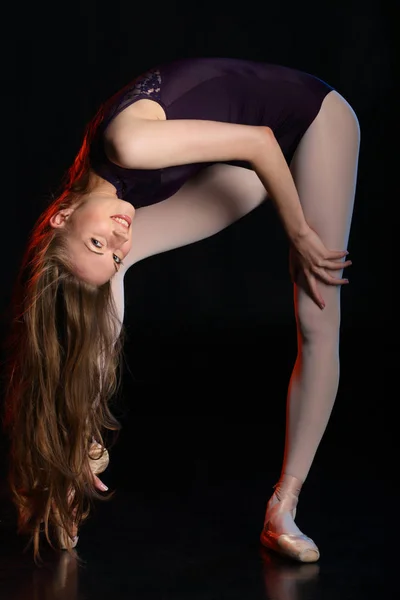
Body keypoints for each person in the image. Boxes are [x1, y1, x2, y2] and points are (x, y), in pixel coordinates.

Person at [2, 56, 360, 562]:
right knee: (103, 283)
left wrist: (299, 232)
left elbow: (258, 140)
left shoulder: (126, 145)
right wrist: (109, 259)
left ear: (61, 216)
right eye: (112, 248)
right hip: (251, 162)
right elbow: (105, 260)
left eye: (100, 241)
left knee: (317, 311)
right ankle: (73, 454)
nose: (120, 239)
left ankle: (285, 505)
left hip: (312, 121)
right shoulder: (107, 206)